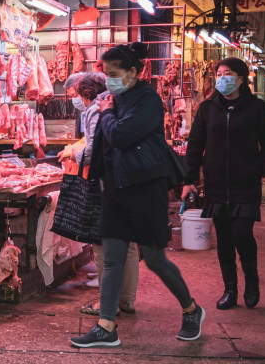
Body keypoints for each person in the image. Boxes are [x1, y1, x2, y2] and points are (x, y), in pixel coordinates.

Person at [71, 43, 204, 348]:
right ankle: (106, 326)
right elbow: (106, 147)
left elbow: (121, 135)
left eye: (114, 74)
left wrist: (104, 113)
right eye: (106, 74)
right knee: (113, 259)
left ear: (132, 72)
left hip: (146, 189)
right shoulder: (112, 99)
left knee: (155, 259)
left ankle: (192, 309)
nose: (109, 80)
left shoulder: (148, 102)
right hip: (116, 190)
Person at [183, 58, 265, 310]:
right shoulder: (207, 109)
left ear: (240, 79)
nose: (221, 77)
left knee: (242, 233)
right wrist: (190, 179)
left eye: (228, 74)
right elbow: (195, 145)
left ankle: (252, 280)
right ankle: (230, 289)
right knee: (224, 238)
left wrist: (257, 169)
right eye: (219, 73)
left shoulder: (256, 108)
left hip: (245, 185)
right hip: (215, 184)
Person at [61, 72, 139, 316]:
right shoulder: (120, 104)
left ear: (84, 90)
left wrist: (74, 154)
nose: (74, 101)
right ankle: (126, 300)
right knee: (127, 244)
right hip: (129, 179)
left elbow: (95, 149)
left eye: (74, 95)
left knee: (103, 245)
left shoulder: (95, 110)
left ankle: (108, 304)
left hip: (107, 181)